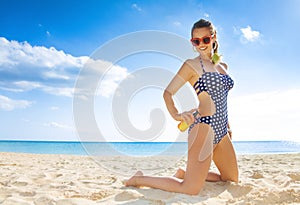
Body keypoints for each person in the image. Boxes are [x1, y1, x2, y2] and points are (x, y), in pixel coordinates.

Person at [124, 19, 238, 195]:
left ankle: (185, 173)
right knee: (190, 188)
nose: (201, 44)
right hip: (204, 126)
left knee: (231, 180)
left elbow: (222, 97)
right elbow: (168, 93)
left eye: (205, 40)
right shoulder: (191, 65)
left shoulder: (223, 66)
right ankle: (138, 179)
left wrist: (228, 125)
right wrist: (176, 115)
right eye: (196, 41)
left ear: (213, 37)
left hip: (222, 130)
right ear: (192, 42)